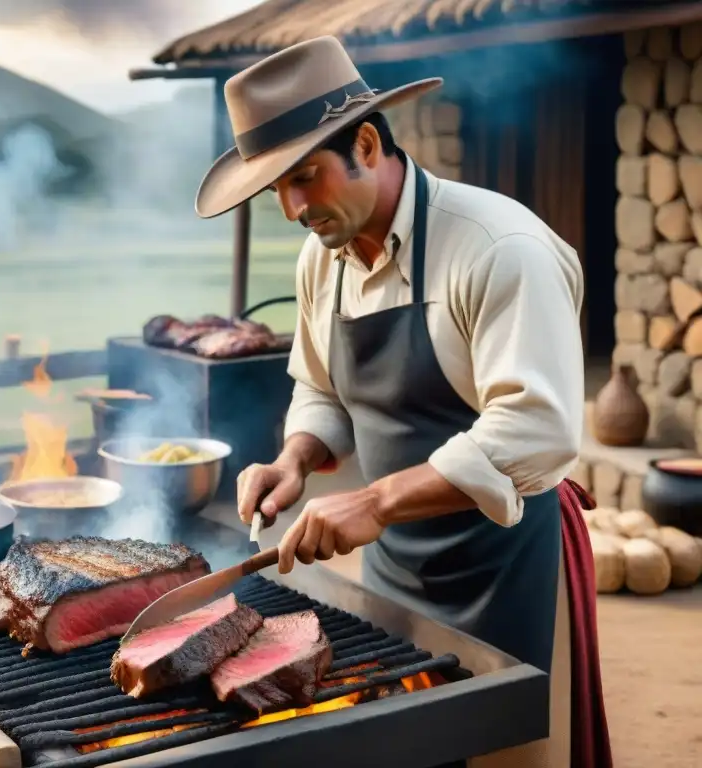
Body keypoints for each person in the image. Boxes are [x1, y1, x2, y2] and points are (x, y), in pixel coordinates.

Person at [194, 36, 612, 768]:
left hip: (509, 569)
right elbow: (320, 386)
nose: (293, 209)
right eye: (276, 190)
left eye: (307, 178)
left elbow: (537, 430)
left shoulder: (498, 248)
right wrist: (297, 457)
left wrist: (376, 502)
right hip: (393, 576)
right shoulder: (321, 257)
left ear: (365, 142)